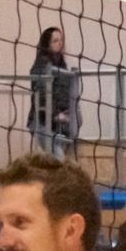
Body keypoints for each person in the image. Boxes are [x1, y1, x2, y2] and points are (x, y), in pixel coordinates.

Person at [27, 26, 80, 160]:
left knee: (60, 160)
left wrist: (72, 114)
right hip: (43, 121)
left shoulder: (62, 65)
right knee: (58, 158)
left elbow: (66, 93)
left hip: (59, 125)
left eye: (61, 40)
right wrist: (56, 114)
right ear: (47, 44)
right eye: (55, 41)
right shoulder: (42, 64)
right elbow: (42, 93)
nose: (60, 43)